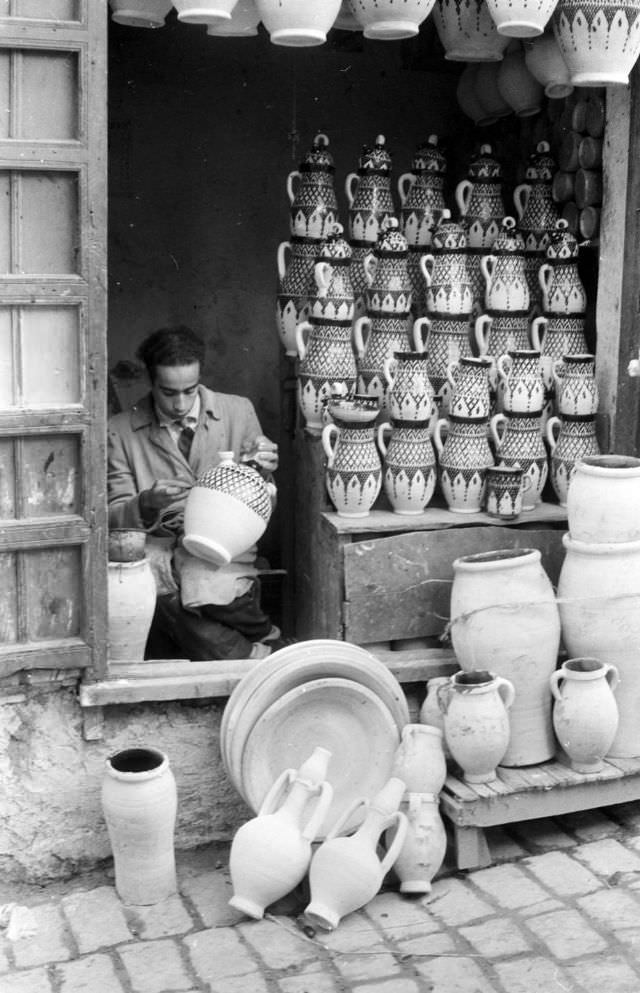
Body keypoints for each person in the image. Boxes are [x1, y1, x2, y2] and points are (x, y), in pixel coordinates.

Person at [107, 324, 282, 660]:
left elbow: (263, 497)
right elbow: (114, 515)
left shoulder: (237, 411)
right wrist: (145, 503)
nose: (180, 403)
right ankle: (256, 652)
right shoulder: (120, 430)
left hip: (223, 545)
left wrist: (263, 469)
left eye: (190, 390)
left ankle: (251, 644)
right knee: (159, 590)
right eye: (169, 392)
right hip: (157, 548)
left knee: (200, 587)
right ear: (150, 381)